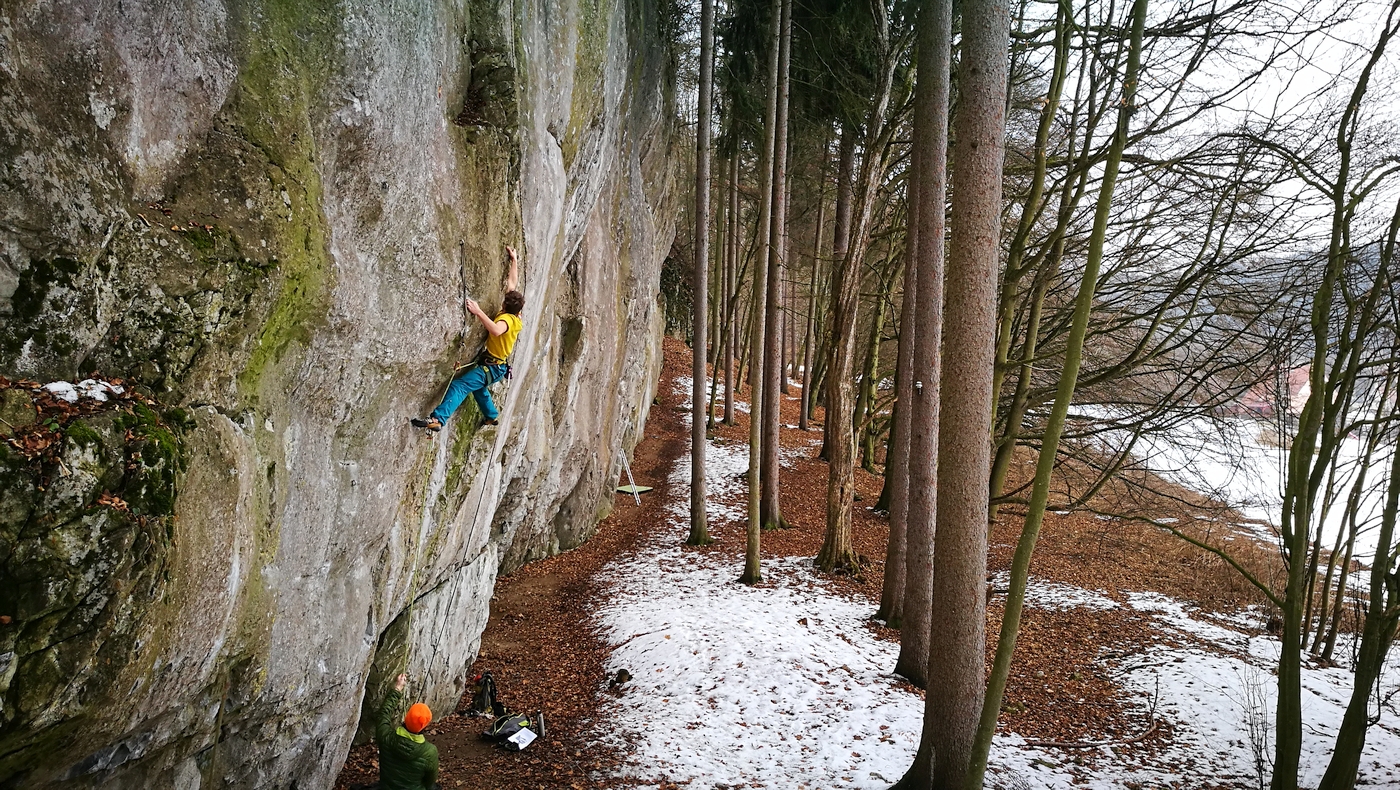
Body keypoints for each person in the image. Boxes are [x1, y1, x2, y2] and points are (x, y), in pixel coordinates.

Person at [413, 246, 523, 432]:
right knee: (478, 387)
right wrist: (514, 260)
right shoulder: (516, 314)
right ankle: (491, 415)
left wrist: (478, 311)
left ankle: (438, 419)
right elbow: (512, 283)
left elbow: (496, 330)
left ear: (505, 305)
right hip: (497, 366)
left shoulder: (506, 320)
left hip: (493, 366)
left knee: (461, 385)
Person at [374, 673, 439, 790]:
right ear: (424, 726)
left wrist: (398, 688)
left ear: (406, 718)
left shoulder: (386, 736)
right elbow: (429, 783)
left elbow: (384, 713)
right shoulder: (430, 752)